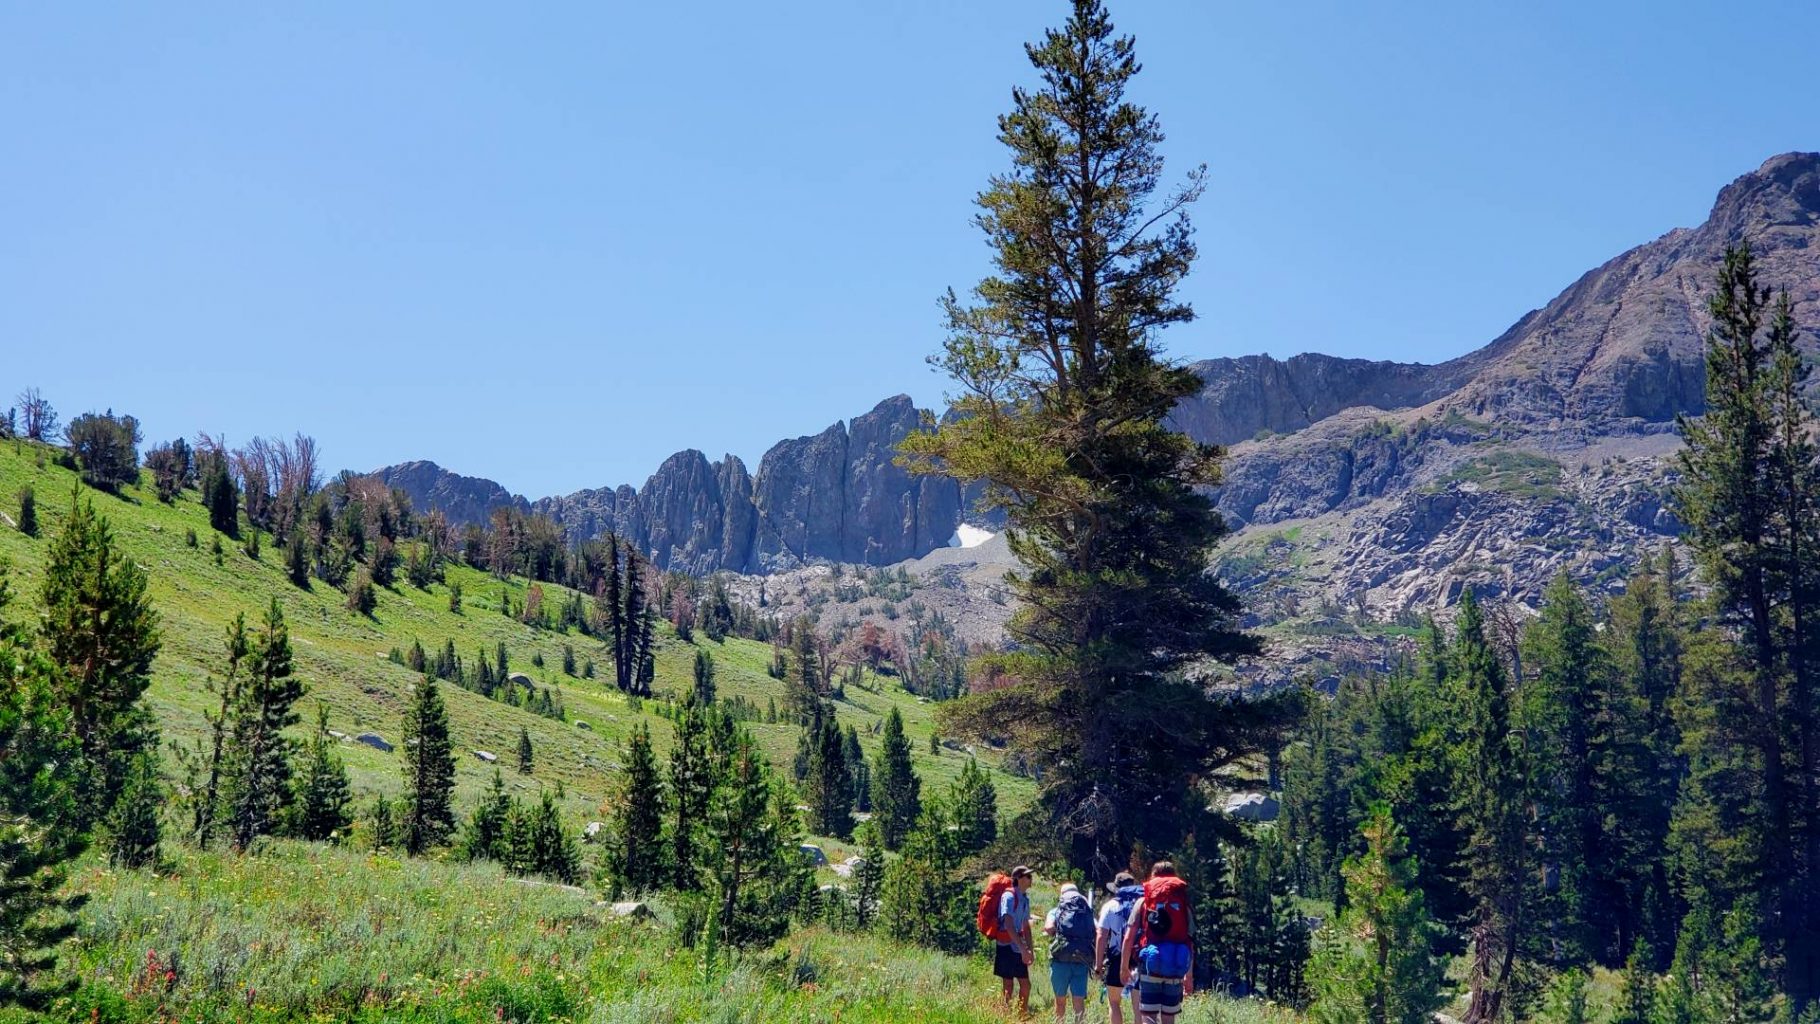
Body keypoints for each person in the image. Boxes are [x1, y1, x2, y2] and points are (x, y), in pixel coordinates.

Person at [1120, 862, 1193, 1024]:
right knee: (1168, 1018)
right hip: (1176, 966)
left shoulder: (1144, 901)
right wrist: (1189, 975)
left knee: (1148, 1016)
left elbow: (1128, 937)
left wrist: (1124, 967)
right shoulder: (1182, 903)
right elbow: (1189, 940)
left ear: (1153, 876)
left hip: (1150, 966)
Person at [1041, 881, 1095, 1024]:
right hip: (1081, 959)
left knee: (1060, 1001)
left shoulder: (1056, 910)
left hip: (1060, 960)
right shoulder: (1086, 912)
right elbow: (1096, 930)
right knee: (1079, 1003)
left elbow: (1048, 928)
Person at [1094, 872, 1141, 1024]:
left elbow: (1101, 936)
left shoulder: (1109, 906)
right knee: (1138, 1007)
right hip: (1138, 956)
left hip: (1116, 957)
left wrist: (1099, 964)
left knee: (1114, 1002)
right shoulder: (1142, 904)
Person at [995, 865, 1035, 1015]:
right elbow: (1008, 923)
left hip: (1017, 947)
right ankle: (1005, 1015)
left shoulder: (1024, 899)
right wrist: (1024, 948)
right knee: (1008, 984)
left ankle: (1021, 1015)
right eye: (1028, 876)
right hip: (1006, 945)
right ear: (1018, 879)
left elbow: (1026, 926)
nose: (1031, 879)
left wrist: (1030, 949)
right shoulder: (1009, 896)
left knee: (1025, 985)